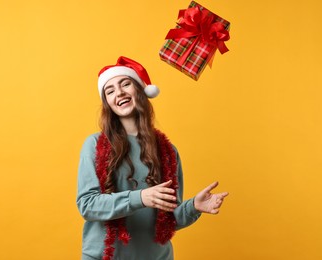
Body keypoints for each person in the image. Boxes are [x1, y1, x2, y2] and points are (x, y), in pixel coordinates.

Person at [76, 56, 229, 260]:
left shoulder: (167, 151)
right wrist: (140, 197)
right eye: (110, 90)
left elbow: (168, 220)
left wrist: (193, 207)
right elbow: (87, 205)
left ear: (140, 90)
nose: (119, 92)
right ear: (108, 104)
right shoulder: (94, 145)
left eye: (125, 84)